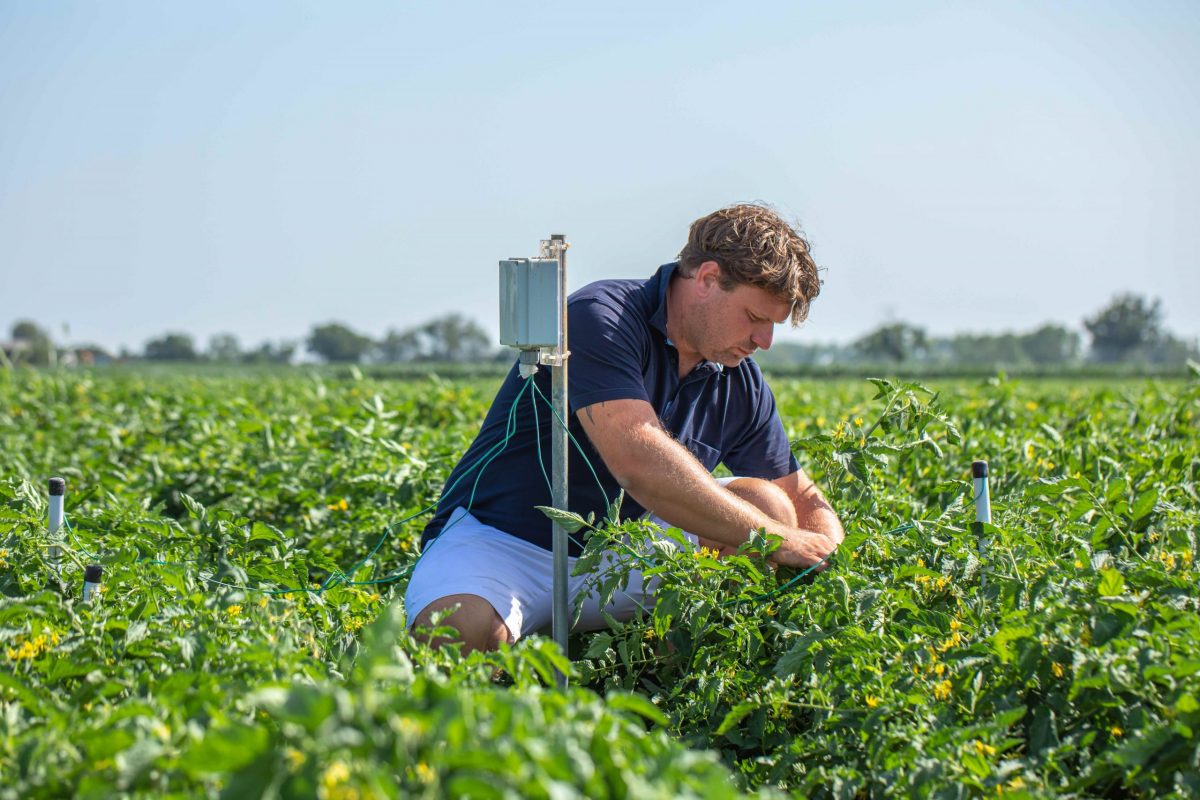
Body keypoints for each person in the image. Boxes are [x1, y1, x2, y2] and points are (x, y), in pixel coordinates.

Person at [405, 203, 844, 652]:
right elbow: (639, 461)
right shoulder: (602, 319)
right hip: (507, 542)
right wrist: (776, 538)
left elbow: (799, 496)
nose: (764, 342)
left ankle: (670, 690)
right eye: (755, 319)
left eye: (773, 326)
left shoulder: (738, 378)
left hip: (623, 552)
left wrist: (831, 555)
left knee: (765, 502)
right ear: (708, 279)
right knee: (456, 628)